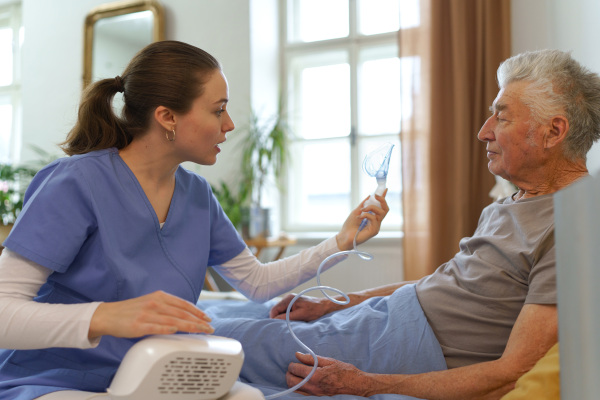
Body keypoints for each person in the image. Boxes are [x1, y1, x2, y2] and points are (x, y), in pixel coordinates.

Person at [0, 40, 388, 400]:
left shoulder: (197, 196)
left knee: (249, 396)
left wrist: (342, 241)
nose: (229, 123)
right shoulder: (77, 182)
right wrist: (105, 316)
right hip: (55, 376)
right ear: (167, 117)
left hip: (156, 373)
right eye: (218, 109)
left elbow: (257, 282)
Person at [209, 49, 600, 399]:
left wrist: (366, 384)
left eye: (501, 116)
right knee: (225, 316)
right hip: (390, 315)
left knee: (209, 339)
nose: (484, 131)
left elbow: (512, 373)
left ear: (554, 132)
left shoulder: (574, 225)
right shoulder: (513, 202)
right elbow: (443, 283)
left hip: (410, 346)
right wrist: (335, 303)